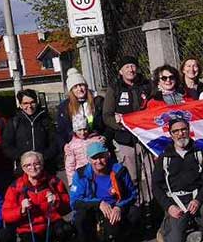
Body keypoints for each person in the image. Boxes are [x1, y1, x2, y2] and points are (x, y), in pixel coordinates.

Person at [149, 117, 203, 242]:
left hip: (197, 198)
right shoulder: (164, 158)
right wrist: (169, 207)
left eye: (183, 130)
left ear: (188, 130)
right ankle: (166, 226)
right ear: (170, 134)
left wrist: (198, 200)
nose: (180, 134)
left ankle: (197, 224)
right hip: (176, 202)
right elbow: (156, 186)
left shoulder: (200, 153)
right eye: (175, 131)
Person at [1, 151, 74, 242]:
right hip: (29, 228)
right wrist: (21, 209)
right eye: (28, 165)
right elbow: (6, 215)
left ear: (42, 164)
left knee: (65, 230)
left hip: (51, 223)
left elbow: (68, 206)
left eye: (36, 164)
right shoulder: (15, 187)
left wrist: (57, 200)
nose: (33, 168)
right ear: (23, 168)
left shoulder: (53, 181)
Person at [70, 142, 140, 242]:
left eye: (101, 157)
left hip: (114, 208)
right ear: (89, 159)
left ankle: (120, 236)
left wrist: (119, 207)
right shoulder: (81, 174)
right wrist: (98, 203)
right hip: (93, 209)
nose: (98, 161)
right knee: (79, 217)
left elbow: (132, 194)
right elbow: (75, 202)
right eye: (94, 158)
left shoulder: (119, 170)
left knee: (134, 212)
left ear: (108, 155)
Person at [102, 55, 151, 199]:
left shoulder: (146, 85)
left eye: (133, 66)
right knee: (131, 176)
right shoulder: (114, 89)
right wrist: (120, 124)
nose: (131, 69)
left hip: (145, 137)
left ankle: (152, 204)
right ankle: (135, 203)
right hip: (125, 139)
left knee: (150, 174)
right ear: (121, 71)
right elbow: (107, 115)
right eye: (127, 67)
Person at [3, 89, 59, 175]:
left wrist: (43, 157)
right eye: (25, 103)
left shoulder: (45, 119)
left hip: (46, 168)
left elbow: (54, 142)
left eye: (32, 102)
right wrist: (23, 157)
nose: (29, 106)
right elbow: (7, 145)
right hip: (23, 170)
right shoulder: (14, 122)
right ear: (20, 105)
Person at [56, 69, 105, 149]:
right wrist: (64, 145)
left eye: (81, 85)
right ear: (71, 90)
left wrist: (105, 137)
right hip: (76, 147)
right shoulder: (64, 107)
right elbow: (61, 131)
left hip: (98, 144)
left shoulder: (98, 102)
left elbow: (106, 123)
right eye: (75, 87)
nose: (79, 89)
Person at [63, 114, 107, 179]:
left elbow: (104, 154)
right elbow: (70, 166)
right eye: (79, 130)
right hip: (82, 175)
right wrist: (72, 181)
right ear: (75, 130)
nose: (83, 132)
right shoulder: (71, 146)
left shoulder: (94, 140)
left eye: (85, 129)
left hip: (96, 172)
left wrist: (102, 140)